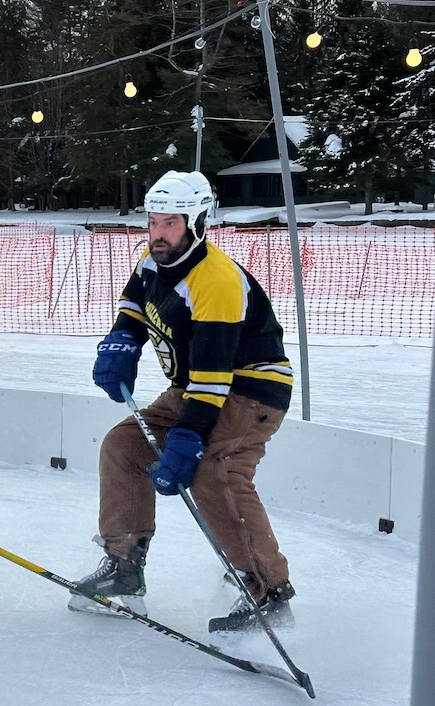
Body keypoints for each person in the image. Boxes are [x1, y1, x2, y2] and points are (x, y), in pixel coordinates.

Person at [69, 170, 296, 634]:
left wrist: (189, 437)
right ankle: (124, 569)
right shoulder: (153, 260)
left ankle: (267, 591)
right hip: (194, 388)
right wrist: (120, 344)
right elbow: (134, 308)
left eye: (169, 223)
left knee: (215, 469)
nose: (157, 234)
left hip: (249, 389)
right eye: (152, 222)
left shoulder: (216, 279)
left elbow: (214, 376)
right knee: (124, 446)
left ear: (196, 222)